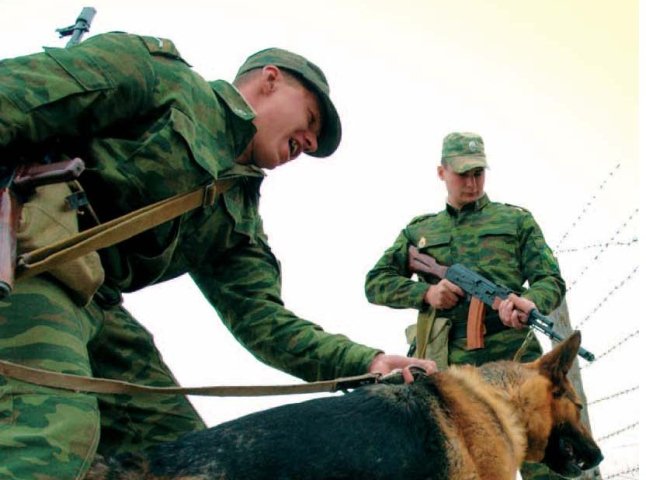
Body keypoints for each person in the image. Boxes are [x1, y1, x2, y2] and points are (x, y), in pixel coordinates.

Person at [0, 33, 436, 479]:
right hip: (24, 258)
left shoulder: (237, 217)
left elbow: (262, 320)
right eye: (309, 119)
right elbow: (13, 95)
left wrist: (365, 362)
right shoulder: (161, 78)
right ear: (270, 80)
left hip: (92, 299)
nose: (307, 142)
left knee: (186, 458)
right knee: (48, 433)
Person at [364, 131, 567, 479]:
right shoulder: (420, 232)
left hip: (516, 362)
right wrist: (425, 294)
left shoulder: (516, 221)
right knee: (462, 465)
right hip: (449, 371)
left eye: (478, 173)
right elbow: (376, 283)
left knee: (544, 460)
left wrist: (527, 302)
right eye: (462, 174)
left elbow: (551, 280)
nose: (472, 183)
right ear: (442, 172)